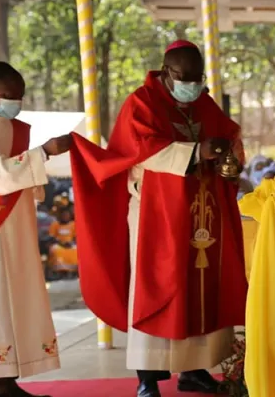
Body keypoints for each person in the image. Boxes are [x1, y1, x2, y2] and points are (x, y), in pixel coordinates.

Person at [69, 40, 248, 397]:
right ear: (166, 73)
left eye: (198, 79)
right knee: (158, 286)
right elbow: (143, 151)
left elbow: (228, 136)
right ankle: (147, 379)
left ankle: (195, 371)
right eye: (185, 78)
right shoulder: (142, 102)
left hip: (202, 212)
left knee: (199, 289)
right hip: (156, 214)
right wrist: (200, 150)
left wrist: (232, 161)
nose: (193, 85)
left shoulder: (204, 103)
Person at [0, 61, 71, 396]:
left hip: (17, 227)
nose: (15, 102)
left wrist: (39, 160)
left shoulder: (17, 128)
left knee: (18, 300)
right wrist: (43, 152)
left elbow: (27, 182)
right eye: (7, 96)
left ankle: (7, 378)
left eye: (19, 97)